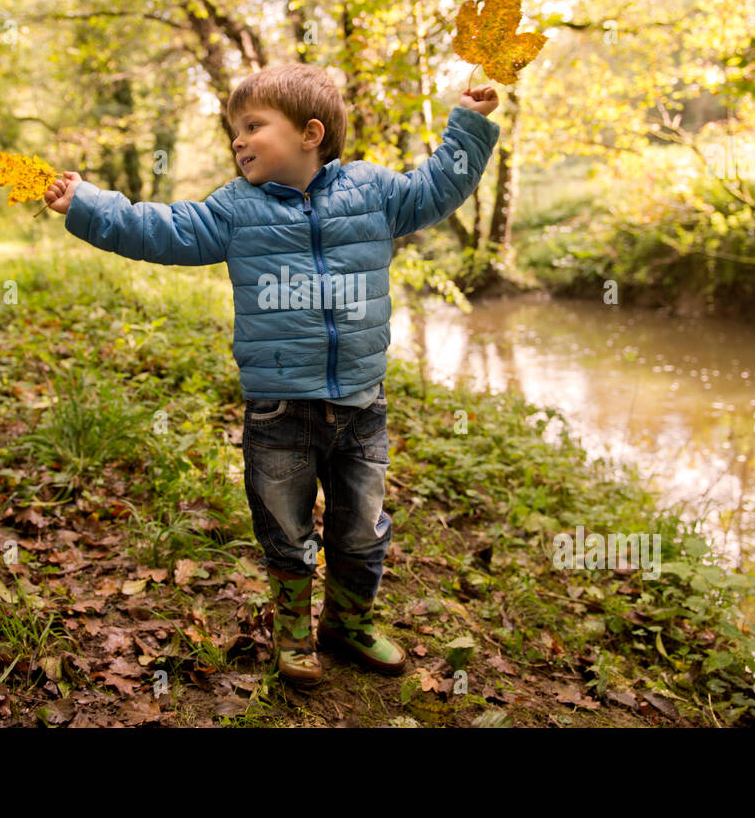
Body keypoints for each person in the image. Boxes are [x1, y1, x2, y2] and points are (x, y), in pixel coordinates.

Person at [43, 62, 500, 687]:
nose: (238, 139)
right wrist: (89, 205)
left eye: (254, 125)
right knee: (285, 530)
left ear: (310, 133)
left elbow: (436, 189)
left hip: (362, 406)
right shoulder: (235, 209)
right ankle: (293, 635)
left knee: (361, 530)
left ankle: (348, 622)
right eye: (235, 129)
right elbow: (162, 229)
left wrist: (469, 123)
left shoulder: (374, 193)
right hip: (279, 410)